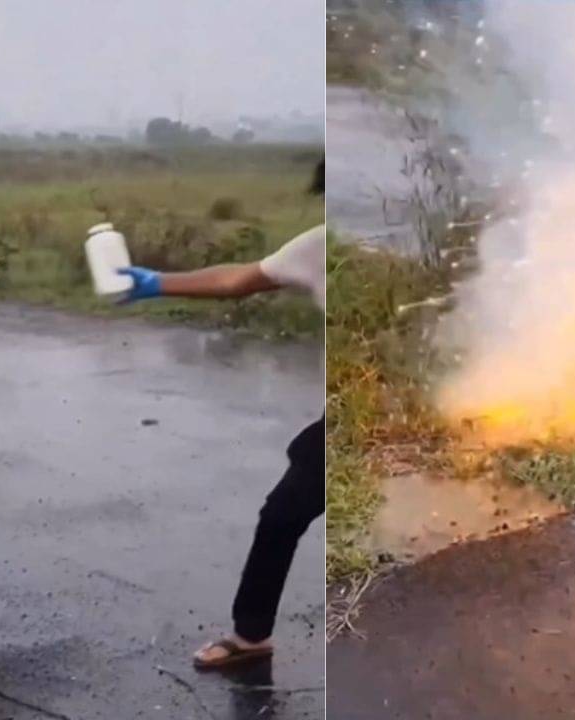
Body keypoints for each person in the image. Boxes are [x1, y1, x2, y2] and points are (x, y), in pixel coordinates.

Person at [117, 160, 325, 669]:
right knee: (282, 514)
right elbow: (238, 278)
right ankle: (251, 635)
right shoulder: (319, 244)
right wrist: (156, 283)